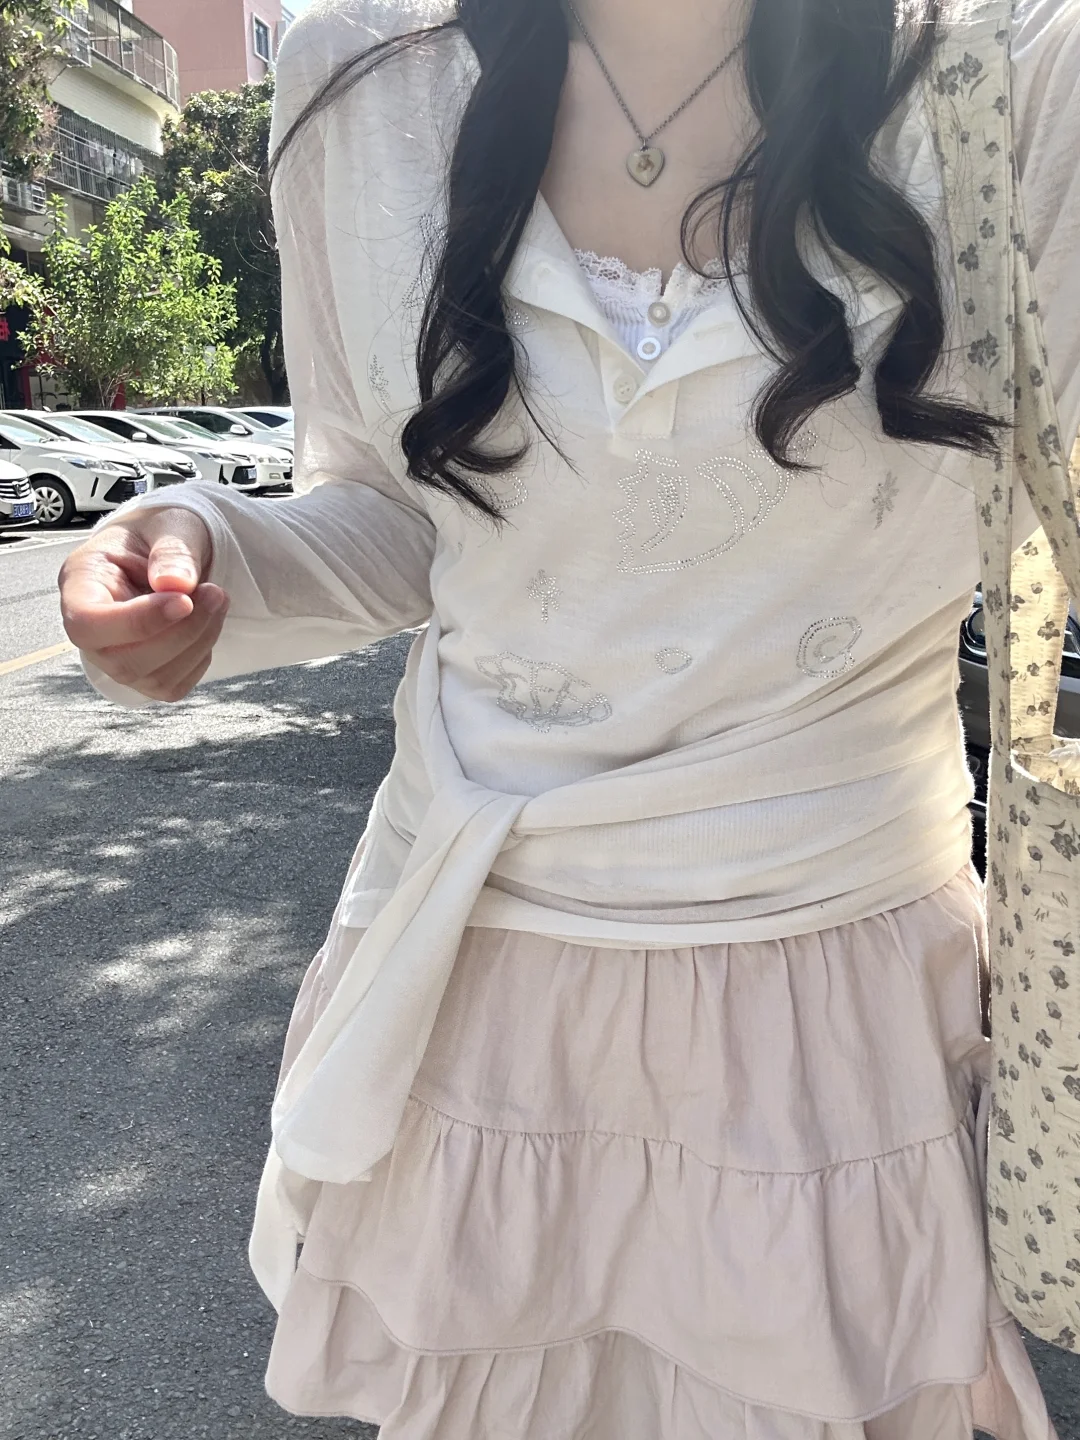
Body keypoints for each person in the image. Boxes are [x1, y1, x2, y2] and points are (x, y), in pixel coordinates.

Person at [58, 0, 1080, 1433]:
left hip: (825, 996)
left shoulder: (1018, 64)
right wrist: (205, 551)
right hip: (477, 969)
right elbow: (396, 514)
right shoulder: (360, 75)